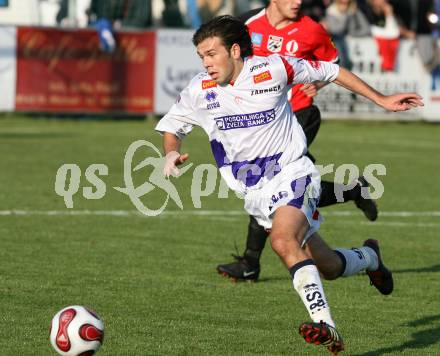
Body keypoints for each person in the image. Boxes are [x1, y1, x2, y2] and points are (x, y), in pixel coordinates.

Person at [155, 15, 422, 353]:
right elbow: (173, 125)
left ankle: (327, 326)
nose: (206, 63)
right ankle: (370, 257)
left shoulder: (276, 67)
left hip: (294, 172)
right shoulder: (200, 88)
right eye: (201, 57)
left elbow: (331, 70)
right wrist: (171, 153)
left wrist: (381, 100)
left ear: (235, 50)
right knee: (328, 266)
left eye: (212, 54)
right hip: (255, 193)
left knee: (283, 241)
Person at [217, 0, 376, 283]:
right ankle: (353, 191)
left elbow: (334, 64)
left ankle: (251, 262)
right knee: (286, 185)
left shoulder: (312, 30)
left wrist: (319, 83)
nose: (298, 2)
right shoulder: (246, 23)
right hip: (263, 121)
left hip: (299, 113)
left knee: (269, 182)